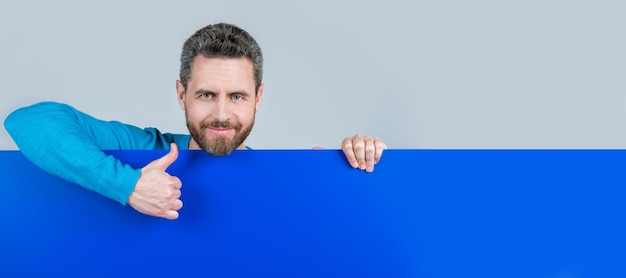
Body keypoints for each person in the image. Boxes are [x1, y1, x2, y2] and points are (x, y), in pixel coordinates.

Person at [4, 23, 386, 220]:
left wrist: (341, 172)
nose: (221, 114)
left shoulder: (280, 176)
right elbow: (31, 120)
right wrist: (127, 184)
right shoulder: (141, 149)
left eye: (237, 96)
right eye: (206, 95)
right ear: (181, 94)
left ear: (259, 99)